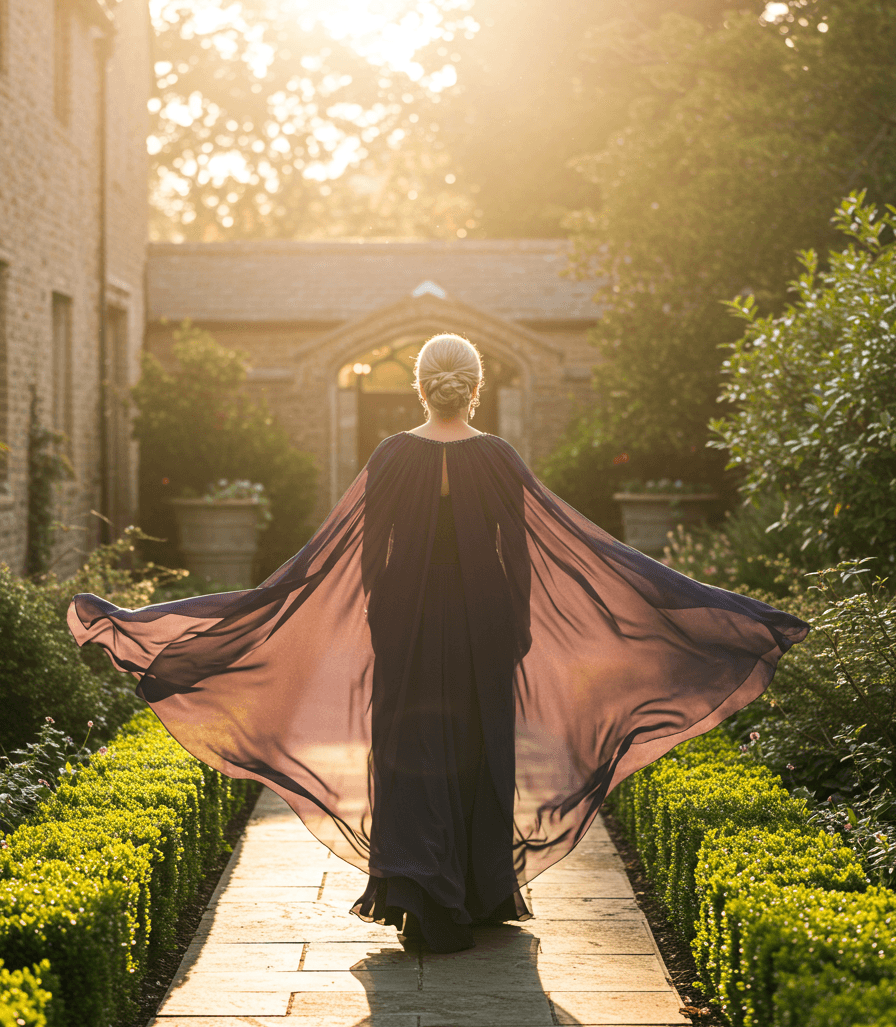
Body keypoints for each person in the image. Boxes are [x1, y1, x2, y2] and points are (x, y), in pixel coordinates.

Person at [67, 332, 809, 954]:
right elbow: (518, 553)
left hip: (408, 619)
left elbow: (359, 554)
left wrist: (380, 619)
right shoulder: (497, 457)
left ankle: (422, 895)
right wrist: (514, 627)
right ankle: (482, 892)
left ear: (421, 389)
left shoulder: (391, 455)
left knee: (408, 747)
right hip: (484, 615)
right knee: (480, 746)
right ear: (473, 388)